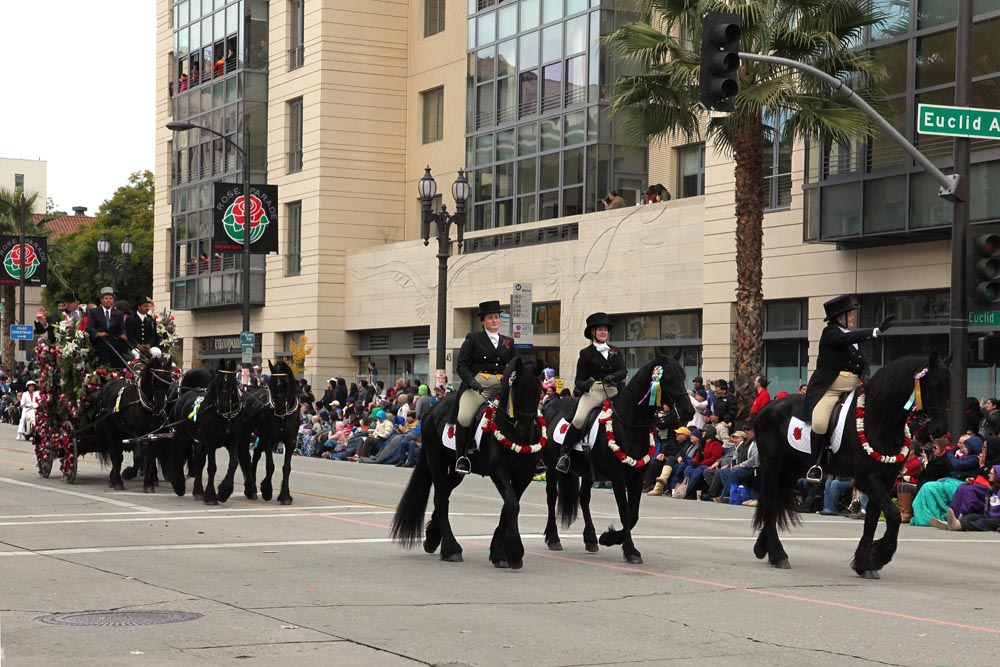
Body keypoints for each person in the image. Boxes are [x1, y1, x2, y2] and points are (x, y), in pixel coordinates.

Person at [803, 296, 894, 436]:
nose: (853, 318)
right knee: (819, 424)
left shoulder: (852, 338)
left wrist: (866, 373)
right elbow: (845, 339)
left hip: (855, 387)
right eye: (850, 314)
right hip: (832, 388)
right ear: (841, 317)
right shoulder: (830, 333)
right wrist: (876, 331)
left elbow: (862, 362)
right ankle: (819, 456)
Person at [555, 312, 627, 473]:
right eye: (600, 330)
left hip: (614, 390)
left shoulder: (616, 351)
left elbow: (623, 370)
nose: (604, 333)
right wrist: (585, 385)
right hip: (594, 391)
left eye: (606, 330)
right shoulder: (586, 353)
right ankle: (564, 455)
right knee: (579, 419)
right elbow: (578, 381)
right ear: (593, 332)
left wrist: (613, 376)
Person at [453, 300, 514, 474]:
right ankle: (462, 456)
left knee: (526, 413)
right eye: (490, 318)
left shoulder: (508, 342)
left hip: (503, 387)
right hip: (479, 385)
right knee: (464, 417)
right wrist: (471, 382)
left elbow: (515, 365)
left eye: (497, 317)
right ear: (483, 321)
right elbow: (461, 365)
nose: (494, 320)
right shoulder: (474, 338)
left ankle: (532, 455)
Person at [87, 287, 128, 369]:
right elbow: (89, 327)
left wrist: (123, 334)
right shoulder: (94, 312)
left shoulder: (119, 313)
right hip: (100, 341)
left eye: (110, 298)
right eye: (106, 298)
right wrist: (98, 334)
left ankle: (119, 371)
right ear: (101, 300)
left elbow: (122, 328)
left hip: (114, 340)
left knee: (121, 348)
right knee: (103, 349)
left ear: (113, 300)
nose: (108, 300)